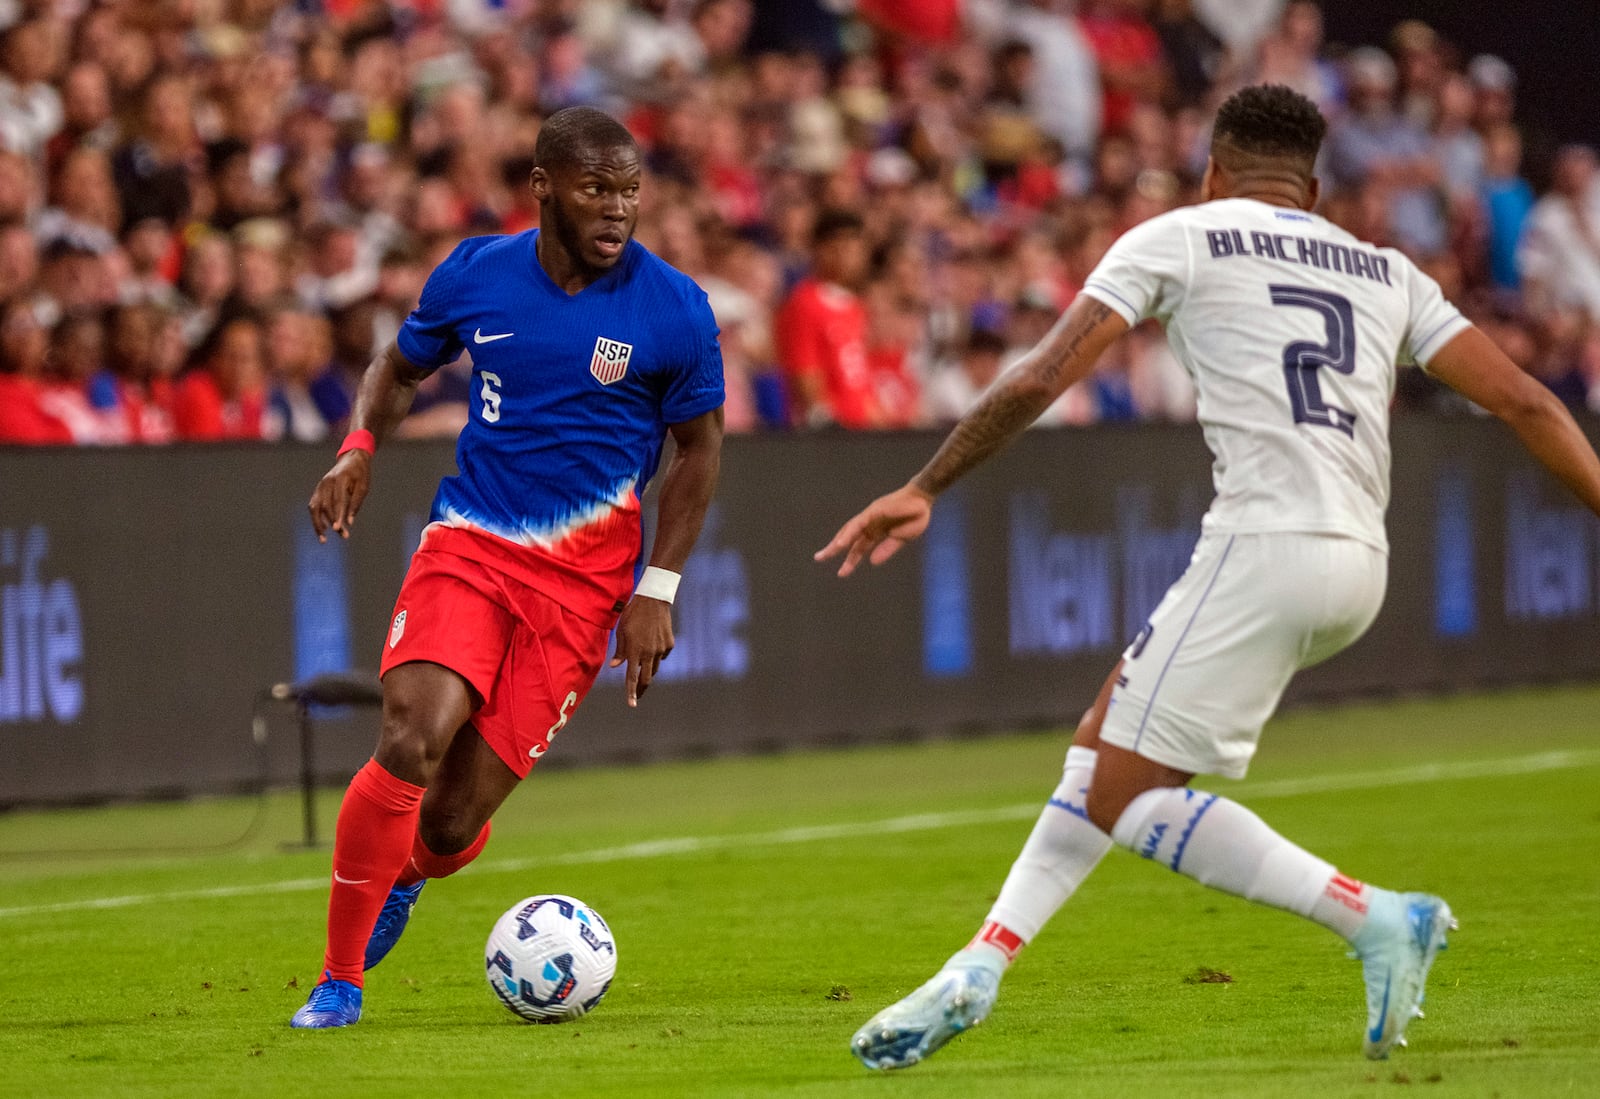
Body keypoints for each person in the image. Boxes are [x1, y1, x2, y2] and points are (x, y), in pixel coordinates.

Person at [816, 84, 1600, 1070]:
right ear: (1312, 188)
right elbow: (1528, 400)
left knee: (1126, 799)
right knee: (1099, 754)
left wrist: (926, 483)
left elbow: (1039, 375)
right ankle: (977, 963)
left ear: (1210, 171)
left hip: (1262, 546)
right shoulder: (1385, 269)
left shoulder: (1181, 235)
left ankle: (1373, 917)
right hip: (1360, 560)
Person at [290, 106, 726, 1028]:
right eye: (595, 187)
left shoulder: (675, 309)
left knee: (447, 825)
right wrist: (360, 444)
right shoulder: (476, 274)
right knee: (411, 731)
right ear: (542, 188)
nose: (617, 209)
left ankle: (406, 872)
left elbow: (699, 451)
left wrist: (659, 585)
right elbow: (399, 366)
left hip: (580, 591)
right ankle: (339, 980)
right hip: (471, 545)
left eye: (631, 190)